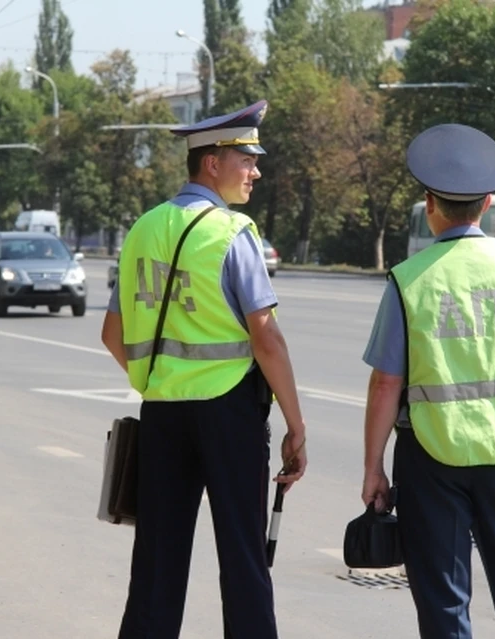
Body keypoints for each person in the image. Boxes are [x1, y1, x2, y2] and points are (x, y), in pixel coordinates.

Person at [101, 99, 308, 639]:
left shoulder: (142, 230)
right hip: (229, 413)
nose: (256, 171)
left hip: (163, 415)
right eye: (247, 160)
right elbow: (266, 337)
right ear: (211, 163)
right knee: (243, 558)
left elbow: (111, 334)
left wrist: (157, 377)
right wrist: (297, 423)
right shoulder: (232, 232)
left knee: (155, 563)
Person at [360, 123, 495, 639]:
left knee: (445, 601)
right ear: (489, 203)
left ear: (430, 203)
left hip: (431, 458)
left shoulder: (410, 280)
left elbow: (387, 384)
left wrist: (374, 468)